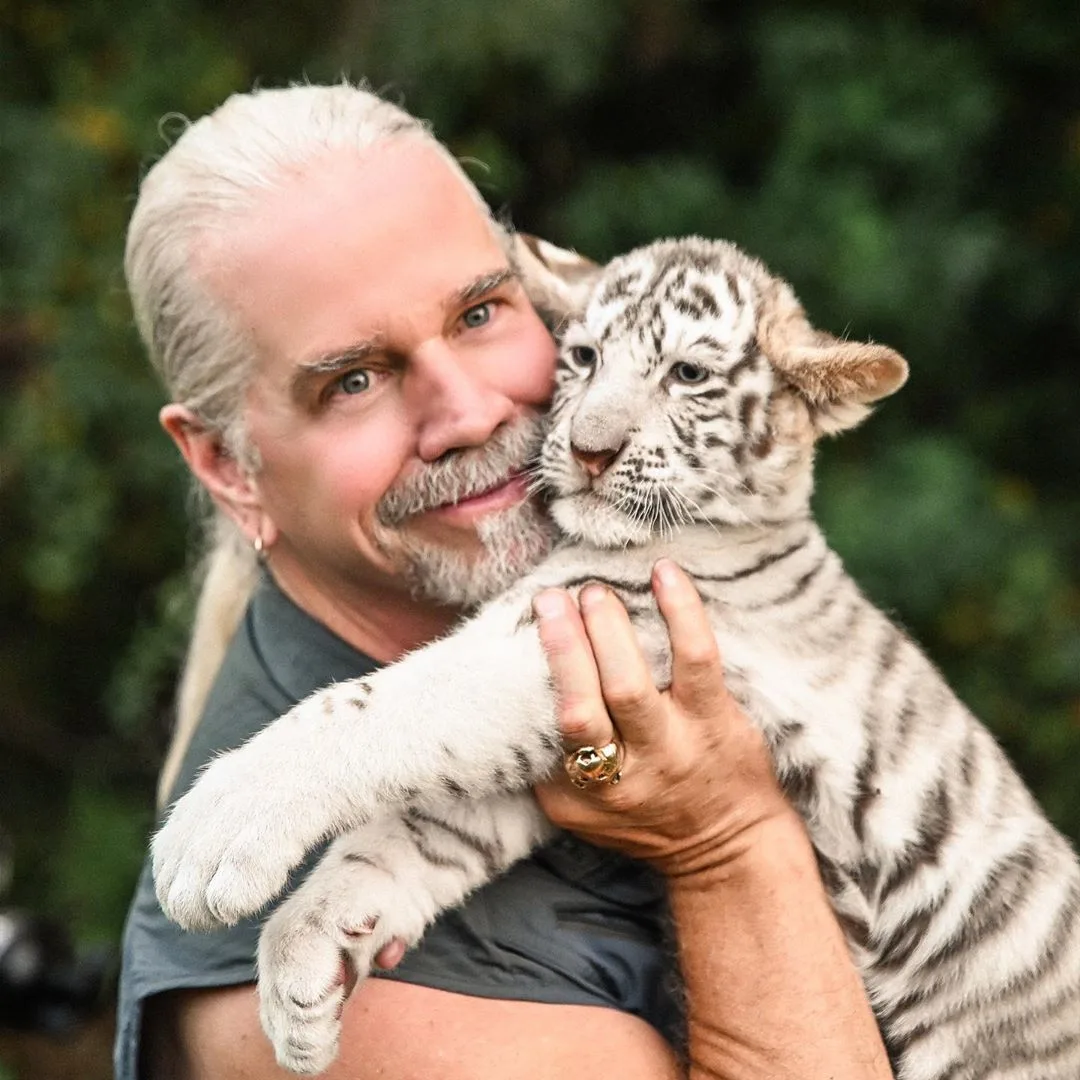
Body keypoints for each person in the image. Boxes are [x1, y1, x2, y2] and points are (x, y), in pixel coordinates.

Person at [116, 82, 892, 1080]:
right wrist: (726, 840)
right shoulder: (335, 994)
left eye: (481, 312)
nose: (472, 411)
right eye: (352, 380)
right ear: (228, 466)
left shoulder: (633, 566)